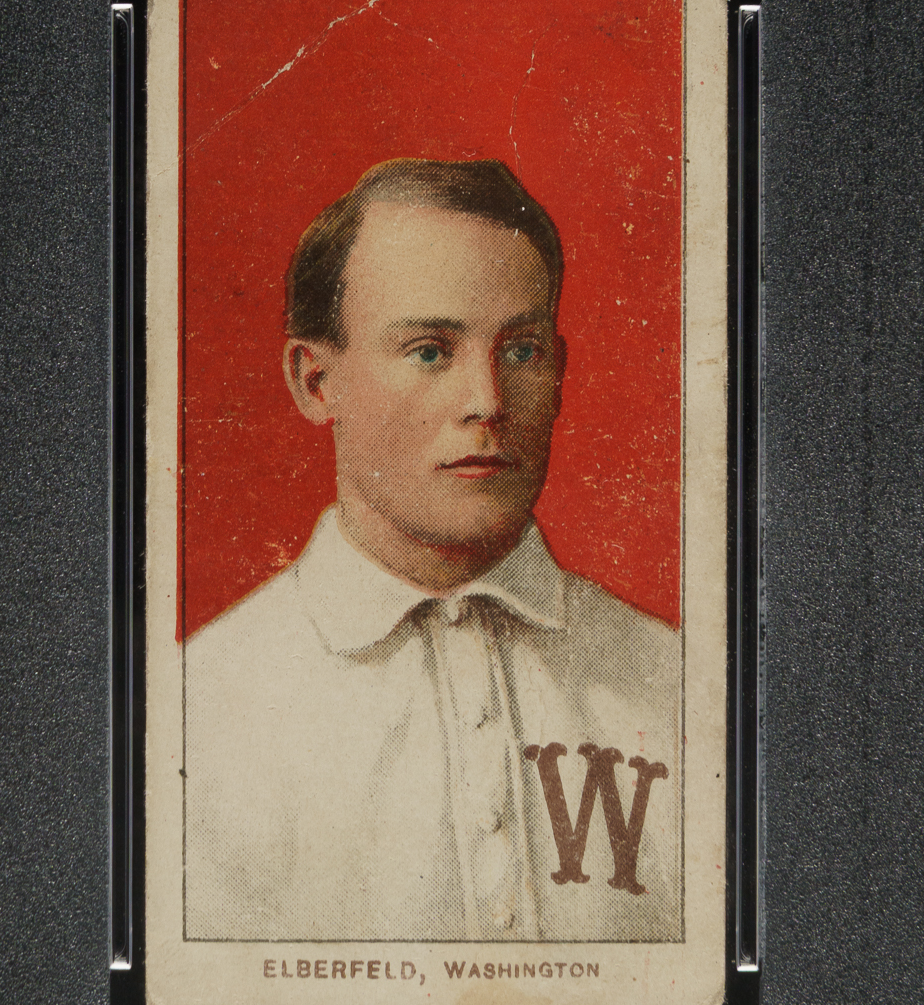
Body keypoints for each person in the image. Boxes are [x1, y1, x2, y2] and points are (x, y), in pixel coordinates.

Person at [182, 159, 681, 944]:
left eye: (521, 351)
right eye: (429, 351)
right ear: (316, 381)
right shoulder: (197, 711)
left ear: (559, 370)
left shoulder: (678, 683)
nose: (486, 401)